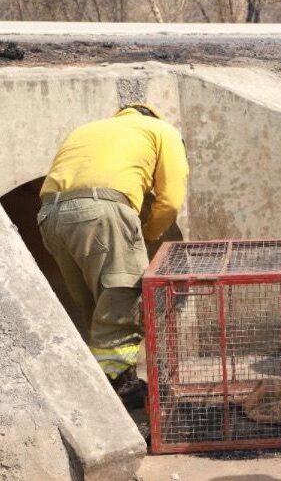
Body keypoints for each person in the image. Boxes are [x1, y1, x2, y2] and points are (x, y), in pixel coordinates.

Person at [38, 103, 189, 409]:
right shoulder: (162, 130)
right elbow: (171, 200)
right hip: (101, 211)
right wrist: (147, 234)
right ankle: (116, 389)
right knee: (125, 296)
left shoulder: (88, 130)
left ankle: (105, 381)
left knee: (93, 304)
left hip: (49, 215)